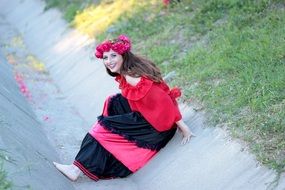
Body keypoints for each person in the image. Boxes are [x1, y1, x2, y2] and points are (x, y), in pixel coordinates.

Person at [53, 34, 194, 181]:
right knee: (113, 102)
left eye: (113, 56)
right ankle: (102, 150)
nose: (109, 61)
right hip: (149, 115)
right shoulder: (130, 69)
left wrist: (183, 127)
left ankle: (75, 170)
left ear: (123, 55)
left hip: (154, 127)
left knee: (102, 128)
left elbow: (164, 101)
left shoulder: (131, 77)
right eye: (105, 58)